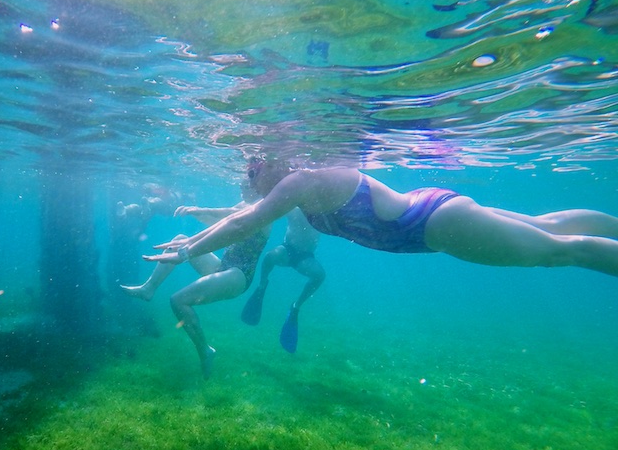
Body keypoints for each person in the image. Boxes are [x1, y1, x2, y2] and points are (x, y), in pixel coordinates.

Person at [145, 156, 618, 283]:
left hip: (434, 225)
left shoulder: (300, 181)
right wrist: (188, 246)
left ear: (278, 159)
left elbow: (245, 225)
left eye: (254, 165)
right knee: (551, 224)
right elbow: (243, 216)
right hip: (432, 214)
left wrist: (189, 250)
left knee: (561, 253)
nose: (249, 172)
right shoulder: (291, 188)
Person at [122, 187, 270, 379]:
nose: (241, 187)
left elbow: (234, 216)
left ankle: (205, 351)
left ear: (256, 183)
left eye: (246, 181)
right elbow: (220, 222)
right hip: (224, 267)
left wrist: (200, 209)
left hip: (239, 275)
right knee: (181, 240)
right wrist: (199, 213)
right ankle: (149, 288)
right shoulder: (244, 204)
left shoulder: (266, 206)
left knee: (178, 300)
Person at [241, 208, 324, 353]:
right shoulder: (294, 205)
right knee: (269, 257)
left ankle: (296, 306)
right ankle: (262, 286)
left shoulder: (324, 208)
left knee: (319, 275)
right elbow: (271, 210)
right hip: (287, 249)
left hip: (306, 257)